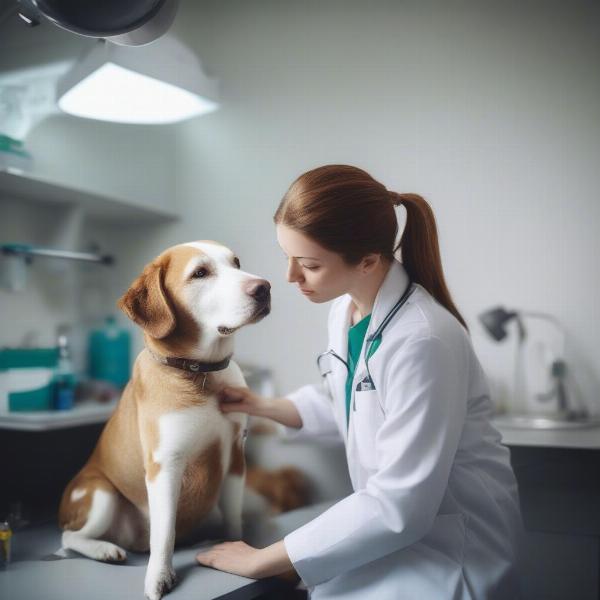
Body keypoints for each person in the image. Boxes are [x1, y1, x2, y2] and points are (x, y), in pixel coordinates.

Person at [196, 164, 523, 599]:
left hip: (450, 552)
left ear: (368, 261)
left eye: (309, 264)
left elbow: (399, 504)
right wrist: (258, 404)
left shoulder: (423, 339)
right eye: (287, 256)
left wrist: (264, 558)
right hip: (398, 535)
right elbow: (350, 401)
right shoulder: (348, 309)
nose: (290, 276)